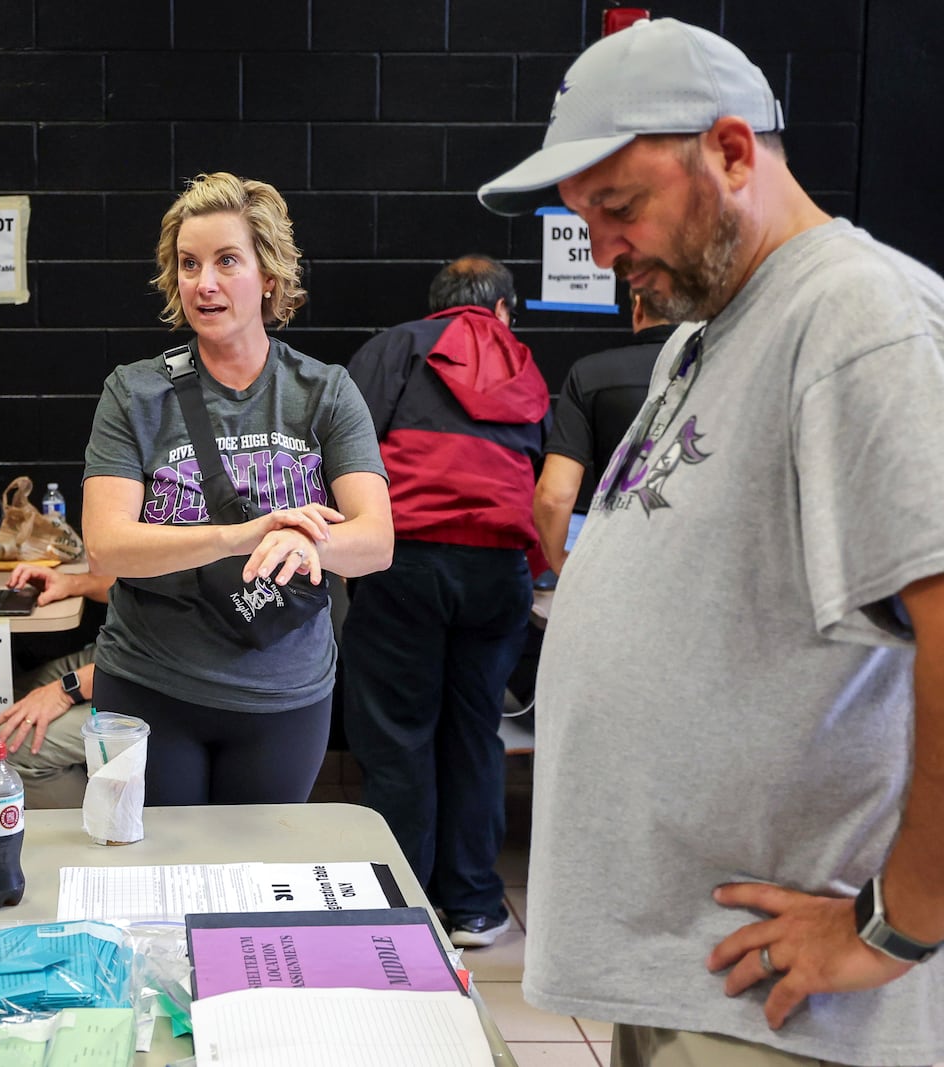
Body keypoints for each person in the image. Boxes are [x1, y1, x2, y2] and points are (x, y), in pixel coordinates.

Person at [478, 17, 944, 1066]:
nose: (597, 247)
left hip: (783, 1006)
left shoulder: (857, 316)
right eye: (579, 215)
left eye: (618, 206)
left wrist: (896, 922)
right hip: (683, 975)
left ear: (732, 153)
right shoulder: (709, 331)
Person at [82, 171, 393, 806]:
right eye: (188, 264)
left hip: (282, 696)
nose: (205, 283)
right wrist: (240, 535)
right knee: (158, 885)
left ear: (269, 276)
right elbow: (107, 548)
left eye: (227, 261)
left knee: (255, 886)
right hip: (148, 684)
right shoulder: (134, 392)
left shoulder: (323, 391)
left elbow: (375, 540)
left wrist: (308, 547)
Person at [340, 255, 549, 948]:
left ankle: (405, 904)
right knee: (475, 733)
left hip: (407, 560)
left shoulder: (396, 345)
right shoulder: (522, 359)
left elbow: (347, 450)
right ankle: (476, 906)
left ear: (436, 305)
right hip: (499, 575)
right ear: (502, 310)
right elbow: (540, 479)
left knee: (400, 736)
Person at [532, 292, 678, 574]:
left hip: (616, 567)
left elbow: (554, 496)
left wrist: (558, 560)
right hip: (701, 569)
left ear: (637, 307)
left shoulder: (590, 374)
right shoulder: (729, 373)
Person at [0, 564, 115, 808]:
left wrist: (67, 689)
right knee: (7, 701)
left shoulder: (202, 538)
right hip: (120, 651)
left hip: (160, 676)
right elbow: (140, 586)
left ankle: (102, 826)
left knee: (12, 745)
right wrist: (73, 583)